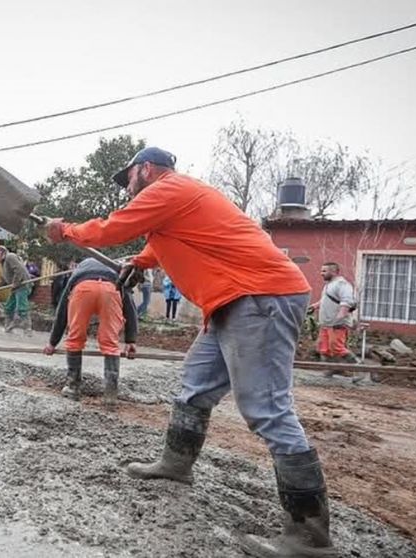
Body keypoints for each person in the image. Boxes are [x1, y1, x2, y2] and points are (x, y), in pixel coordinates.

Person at [45, 146, 335, 557]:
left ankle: (310, 538)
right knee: (195, 385)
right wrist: (141, 262)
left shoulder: (170, 188)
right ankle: (176, 465)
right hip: (231, 302)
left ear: (146, 170)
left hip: (260, 296)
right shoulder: (172, 203)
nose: (127, 188)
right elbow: (162, 241)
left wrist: (67, 231)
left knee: (268, 408)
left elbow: (112, 228)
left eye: (127, 178)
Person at [43, 257, 138, 409]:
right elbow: (129, 305)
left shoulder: (79, 271)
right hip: (110, 289)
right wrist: (131, 341)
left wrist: (52, 343)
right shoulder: (115, 269)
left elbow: (62, 312)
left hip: (83, 289)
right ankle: (110, 396)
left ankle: (73, 387)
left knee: (75, 339)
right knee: (110, 344)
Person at [310, 262, 359, 365]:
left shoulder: (342, 284)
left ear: (333, 271)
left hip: (336, 323)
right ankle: (332, 369)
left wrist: (340, 318)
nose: (321, 273)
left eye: (324, 271)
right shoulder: (329, 285)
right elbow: (325, 300)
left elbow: (347, 302)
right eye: (321, 270)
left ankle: (359, 369)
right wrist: (315, 306)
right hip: (326, 323)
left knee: (337, 348)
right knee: (323, 348)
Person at [0, 245, 32, 332]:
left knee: (22, 307)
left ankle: (27, 328)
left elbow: (19, 270)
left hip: (22, 285)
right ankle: (9, 326)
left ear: (0, 252)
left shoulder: (10, 256)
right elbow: (3, 281)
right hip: (15, 287)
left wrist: (15, 282)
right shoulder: (2, 264)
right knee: (8, 307)